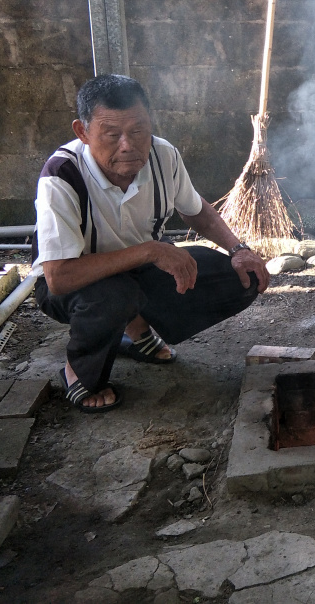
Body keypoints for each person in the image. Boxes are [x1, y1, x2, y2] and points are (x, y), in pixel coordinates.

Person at [32, 74, 270, 413]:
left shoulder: (163, 155)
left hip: (140, 271)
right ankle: (79, 372)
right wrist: (151, 250)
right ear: (83, 133)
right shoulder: (61, 175)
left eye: (138, 130)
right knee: (113, 297)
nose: (127, 144)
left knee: (238, 279)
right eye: (112, 134)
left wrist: (238, 249)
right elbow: (58, 278)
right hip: (75, 286)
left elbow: (196, 210)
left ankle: (135, 327)